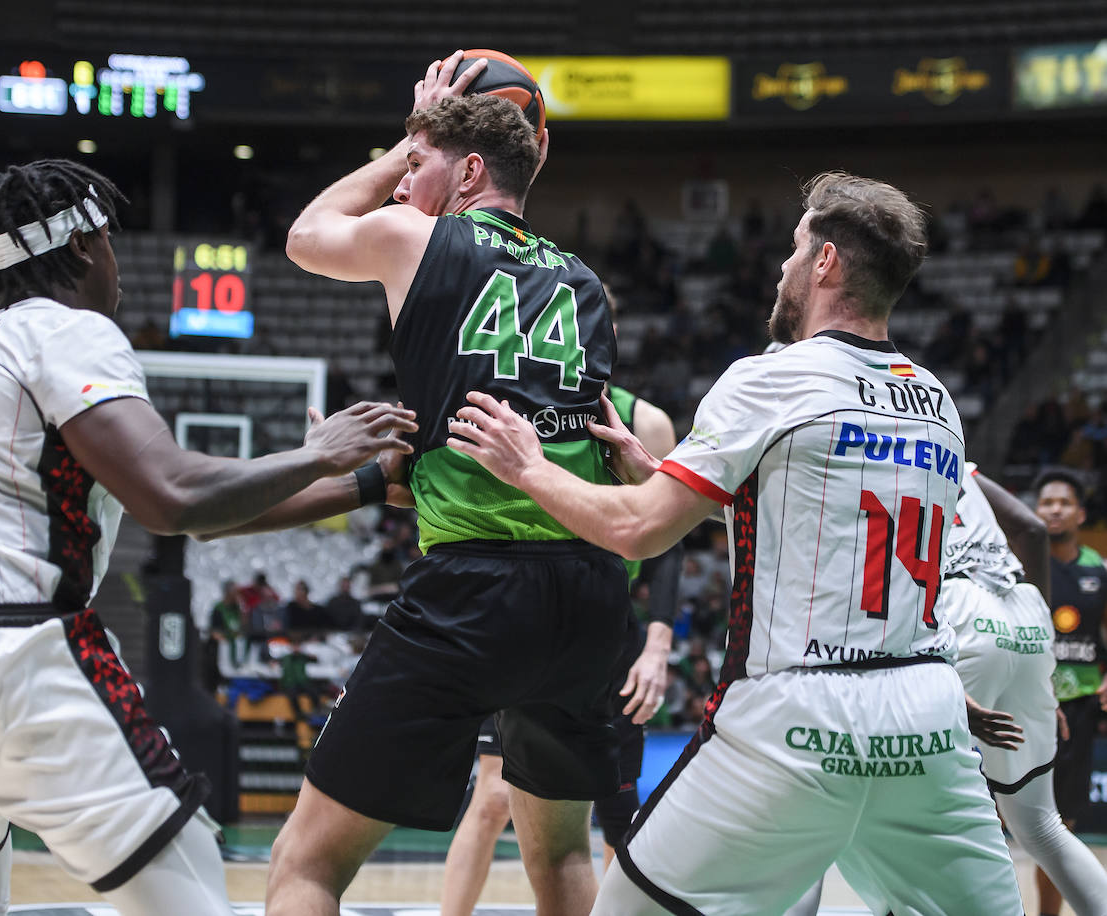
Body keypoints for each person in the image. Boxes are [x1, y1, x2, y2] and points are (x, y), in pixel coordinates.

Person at [0, 158, 417, 916]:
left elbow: (188, 512)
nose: (117, 263)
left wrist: (363, 487)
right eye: (109, 239)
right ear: (82, 247)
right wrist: (316, 451)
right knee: (189, 875)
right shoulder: (67, 331)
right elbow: (174, 497)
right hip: (6, 652)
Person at [450, 171, 1023, 915]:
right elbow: (825, 522)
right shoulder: (937, 400)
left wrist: (526, 466)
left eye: (793, 249)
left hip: (798, 717)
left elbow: (635, 529)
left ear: (824, 263)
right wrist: (668, 474)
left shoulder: (771, 379)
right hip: (928, 720)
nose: (782, 267)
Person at [264, 53, 632, 916]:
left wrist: (410, 136)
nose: (401, 185)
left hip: (474, 588)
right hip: (586, 593)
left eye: (421, 167)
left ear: (468, 170)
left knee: (305, 863)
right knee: (560, 852)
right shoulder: (587, 283)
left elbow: (306, 234)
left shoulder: (415, 236)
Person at [783, 463, 1107, 916]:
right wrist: (1035, 665)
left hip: (952, 610)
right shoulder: (950, 451)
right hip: (1026, 614)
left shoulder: (858, 450)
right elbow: (1030, 529)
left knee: (830, 808)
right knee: (1042, 825)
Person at [440, 308, 681, 916]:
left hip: (608, 624)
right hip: (530, 614)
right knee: (492, 798)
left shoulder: (645, 419)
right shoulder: (515, 403)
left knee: (615, 813)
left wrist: (657, 646)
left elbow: (671, 544)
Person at [1033, 468, 1107, 916]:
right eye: (1046, 502)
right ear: (1035, 511)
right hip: (1022, 708)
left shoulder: (1098, 570)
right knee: (998, 822)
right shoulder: (1020, 564)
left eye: (1064, 503)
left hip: (1076, 712)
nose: (1054, 509)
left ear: (1080, 513)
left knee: (1062, 826)